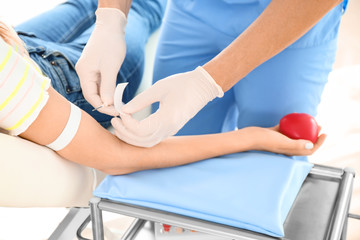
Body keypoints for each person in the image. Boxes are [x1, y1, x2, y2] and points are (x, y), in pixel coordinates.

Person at [0, 1, 326, 177]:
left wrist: (109, 15)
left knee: (272, 170)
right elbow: (113, 156)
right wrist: (112, 17)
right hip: (196, 10)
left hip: (295, 17)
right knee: (184, 164)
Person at [79, 0, 346, 147]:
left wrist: (206, 83)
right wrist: (110, 18)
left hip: (291, 23)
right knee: (175, 143)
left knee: (273, 152)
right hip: (195, 10)